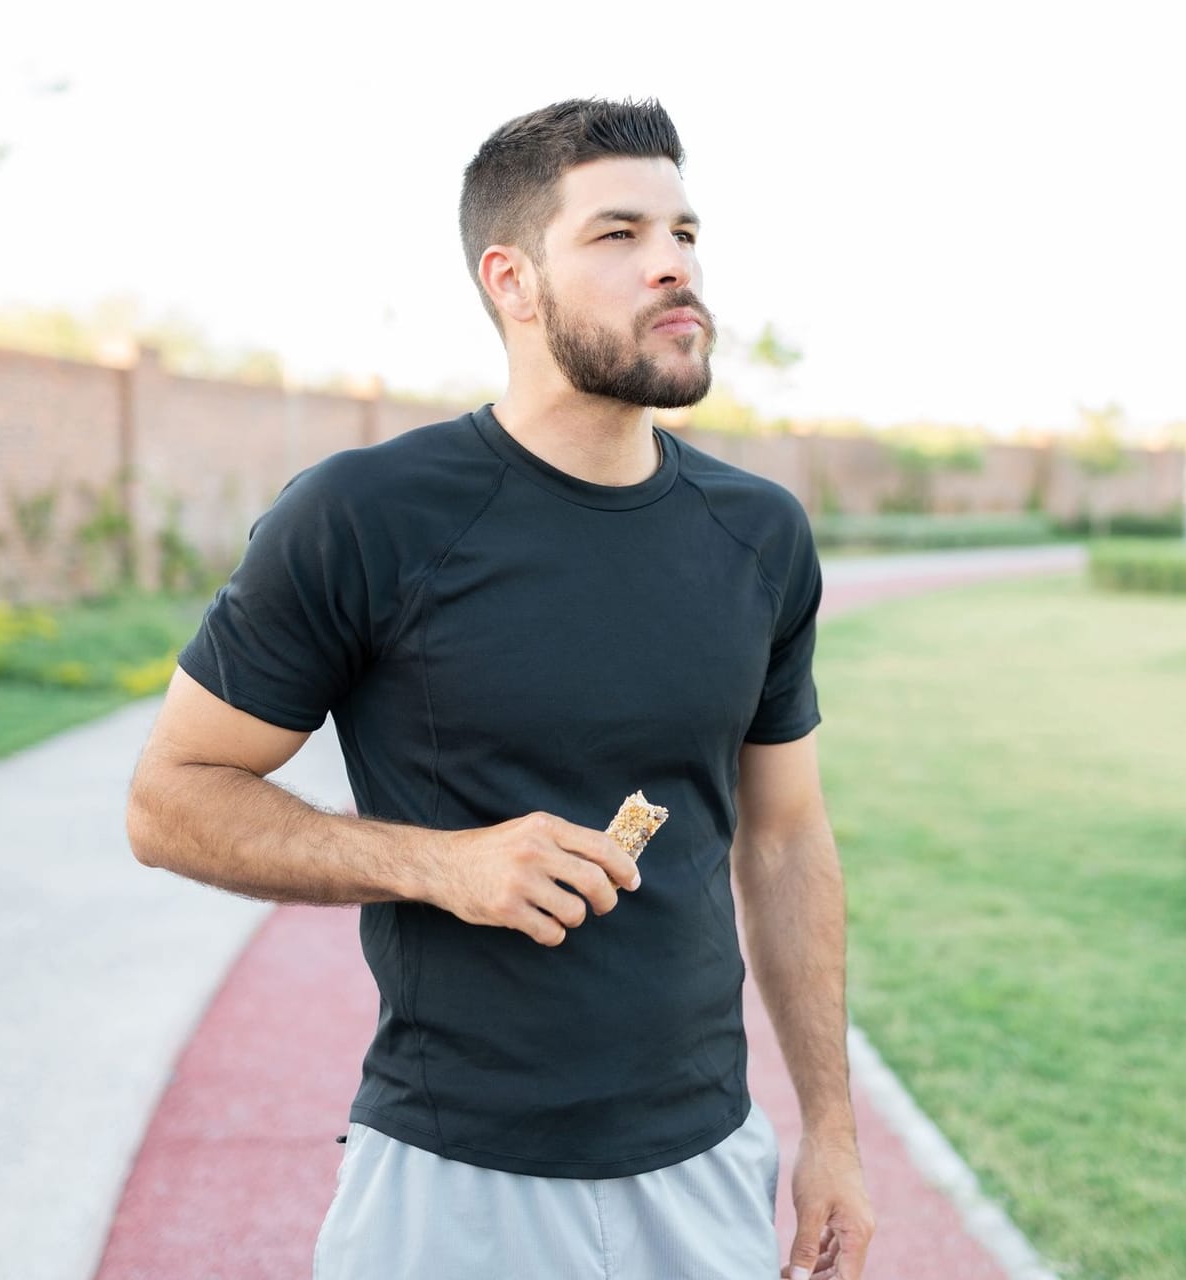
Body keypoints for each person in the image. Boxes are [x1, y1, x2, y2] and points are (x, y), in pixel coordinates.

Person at [125, 97, 875, 1280]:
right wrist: (443, 862)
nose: (674, 264)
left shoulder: (761, 533)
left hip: (705, 1165)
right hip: (451, 1182)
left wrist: (831, 1131)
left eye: (685, 232)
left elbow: (785, 839)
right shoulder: (364, 514)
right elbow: (169, 798)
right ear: (512, 280)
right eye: (619, 235)